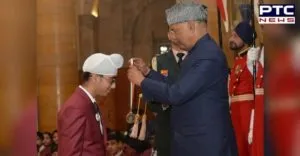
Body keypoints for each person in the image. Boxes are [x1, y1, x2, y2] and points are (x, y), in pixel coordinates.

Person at [127, 2, 237, 156]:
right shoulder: (197, 53)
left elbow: (177, 93)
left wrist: (142, 82)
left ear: (191, 26)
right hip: (194, 143)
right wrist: (148, 73)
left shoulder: (208, 56)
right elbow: (178, 85)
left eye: (175, 30)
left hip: (205, 145)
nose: (173, 37)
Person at [58, 53, 123, 156]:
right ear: (96, 77)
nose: (113, 86)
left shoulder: (88, 103)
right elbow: (70, 152)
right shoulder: (76, 106)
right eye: (111, 80)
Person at [147, 32, 186, 156]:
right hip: (167, 125)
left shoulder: (196, 58)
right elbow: (151, 95)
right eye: (174, 30)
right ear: (169, 35)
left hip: (192, 126)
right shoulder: (159, 61)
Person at [228, 21, 256, 156]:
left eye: (235, 36)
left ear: (244, 39)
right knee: (239, 146)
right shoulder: (238, 59)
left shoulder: (252, 58)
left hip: (248, 109)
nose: (231, 39)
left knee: (249, 144)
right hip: (236, 109)